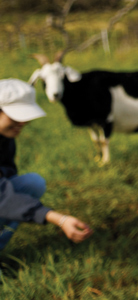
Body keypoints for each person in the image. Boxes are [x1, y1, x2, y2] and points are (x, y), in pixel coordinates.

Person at [0, 79, 92, 253]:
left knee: (32, 184)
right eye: (16, 116)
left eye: (25, 117)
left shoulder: (6, 139)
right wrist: (58, 219)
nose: (22, 123)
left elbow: (8, 175)